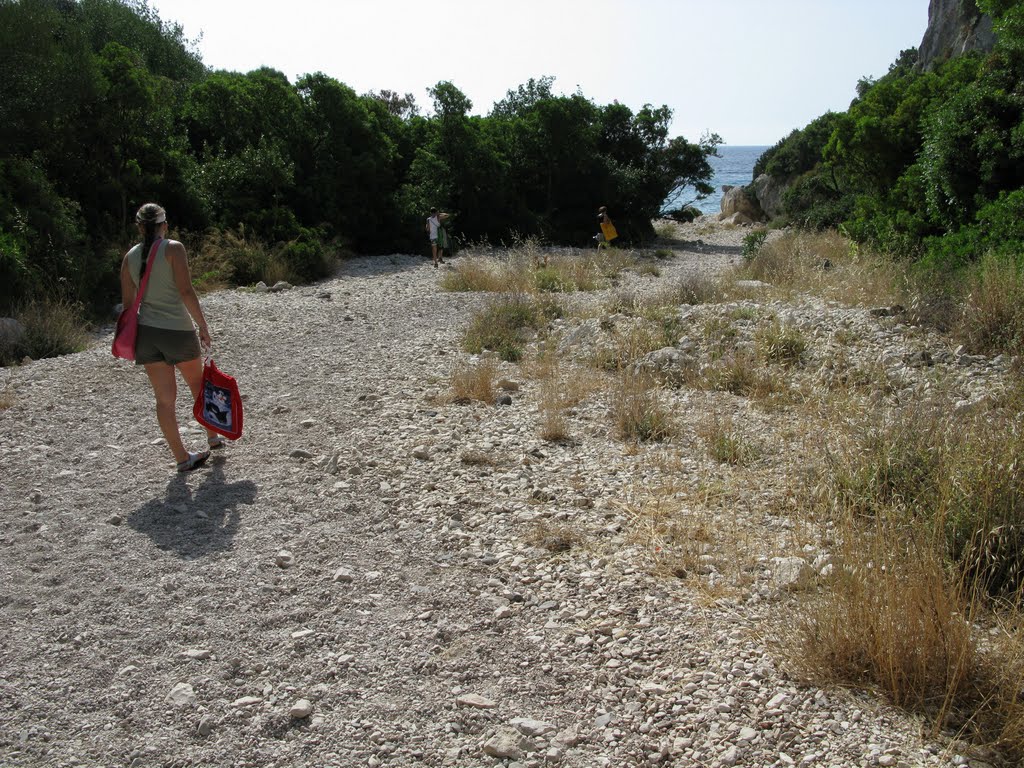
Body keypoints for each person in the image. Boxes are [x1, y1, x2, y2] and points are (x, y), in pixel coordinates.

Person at [120, 202, 224, 473]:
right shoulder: (173, 249)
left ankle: (181, 457)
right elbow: (186, 291)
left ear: (139, 227)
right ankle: (212, 437)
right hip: (177, 330)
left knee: (164, 400)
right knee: (198, 386)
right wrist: (202, 325)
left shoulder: (128, 257)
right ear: (164, 225)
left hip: (147, 335)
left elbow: (128, 304)